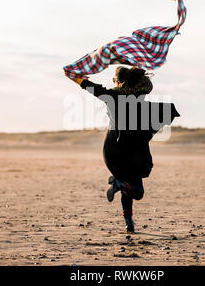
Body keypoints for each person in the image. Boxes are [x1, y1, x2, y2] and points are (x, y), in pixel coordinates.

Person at [67, 66, 180, 233]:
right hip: (134, 153)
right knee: (138, 191)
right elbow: (152, 95)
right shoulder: (140, 95)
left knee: (126, 184)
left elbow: (90, 87)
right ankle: (121, 190)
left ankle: (129, 222)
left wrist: (73, 76)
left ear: (119, 82)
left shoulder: (112, 97)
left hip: (113, 153)